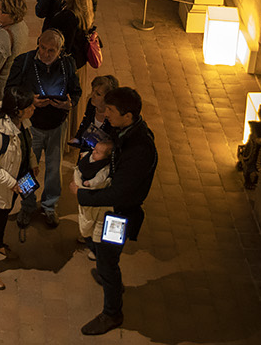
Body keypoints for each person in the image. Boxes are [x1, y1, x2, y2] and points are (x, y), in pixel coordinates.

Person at [76, 87, 158, 336]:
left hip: (119, 216)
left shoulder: (140, 149)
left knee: (107, 259)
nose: (106, 114)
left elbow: (119, 194)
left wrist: (82, 195)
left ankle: (112, 312)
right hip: (110, 209)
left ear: (128, 115)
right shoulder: (125, 130)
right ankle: (108, 276)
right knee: (98, 249)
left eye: (111, 111)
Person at [6, 29, 80, 229]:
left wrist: (69, 104)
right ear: (38, 43)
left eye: (52, 51)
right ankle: (27, 204)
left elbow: (76, 91)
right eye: (43, 48)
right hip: (31, 127)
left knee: (54, 171)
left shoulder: (67, 65)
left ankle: (49, 205)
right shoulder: (24, 62)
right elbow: (10, 90)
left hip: (57, 126)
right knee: (27, 170)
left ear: (60, 51)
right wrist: (31, 100)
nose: (46, 54)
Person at [0, 87, 35, 290]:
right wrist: (12, 183)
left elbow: (26, 144)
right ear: (18, 110)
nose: (33, 108)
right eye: (29, 106)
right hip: (1, 187)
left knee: (5, 214)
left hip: (16, 184)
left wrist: (33, 162)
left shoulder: (21, 122)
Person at [43, 0, 97, 132]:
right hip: (79, 63)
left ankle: (63, 134)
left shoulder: (69, 17)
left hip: (68, 67)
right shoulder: (84, 7)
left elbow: (65, 45)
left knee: (64, 101)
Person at [74, 133, 114, 255]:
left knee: (96, 225)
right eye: (94, 149)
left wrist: (90, 183)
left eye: (97, 152)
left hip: (95, 197)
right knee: (86, 220)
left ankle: (95, 249)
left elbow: (100, 179)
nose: (93, 153)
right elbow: (87, 159)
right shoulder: (92, 157)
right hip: (85, 194)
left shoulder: (104, 168)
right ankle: (87, 236)